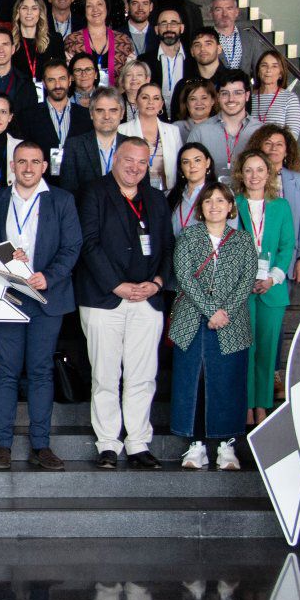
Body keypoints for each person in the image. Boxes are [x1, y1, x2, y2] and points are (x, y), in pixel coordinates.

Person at [75, 136, 173, 470]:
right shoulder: (94, 192)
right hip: (104, 298)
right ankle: (107, 443)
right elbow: (88, 244)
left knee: (142, 376)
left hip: (147, 299)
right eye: (129, 160)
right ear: (116, 158)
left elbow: (168, 247)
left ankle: (138, 443)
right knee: (105, 375)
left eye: (142, 162)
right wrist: (116, 285)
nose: (135, 167)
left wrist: (157, 283)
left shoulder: (156, 199)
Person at [0, 142, 81, 471]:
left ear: (44, 166)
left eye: (35, 162)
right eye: (22, 162)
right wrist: (5, 258)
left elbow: (72, 247)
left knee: (40, 371)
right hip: (8, 297)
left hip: (46, 297)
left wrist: (48, 276)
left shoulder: (61, 200)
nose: (28, 168)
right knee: (6, 370)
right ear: (13, 166)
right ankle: (2, 445)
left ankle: (41, 445)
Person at [168, 181, 256, 471]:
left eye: (220, 200)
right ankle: (196, 444)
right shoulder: (188, 236)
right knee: (192, 381)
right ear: (200, 207)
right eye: (208, 201)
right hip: (192, 319)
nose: (214, 206)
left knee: (228, 381)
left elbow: (247, 280)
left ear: (230, 207)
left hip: (231, 323)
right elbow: (184, 276)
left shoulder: (243, 240)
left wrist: (224, 312)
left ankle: (226, 445)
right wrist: (210, 311)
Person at [234, 152, 296, 429]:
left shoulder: (281, 206)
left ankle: (262, 406)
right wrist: (243, 278)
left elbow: (287, 246)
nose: (254, 176)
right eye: (249, 170)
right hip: (241, 290)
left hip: (272, 289)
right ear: (241, 174)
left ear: (268, 174)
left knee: (268, 351)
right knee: (246, 349)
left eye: (260, 170)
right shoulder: (233, 204)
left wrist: (272, 278)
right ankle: (246, 405)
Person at [247, 125, 300, 282]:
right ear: (259, 147)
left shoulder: (297, 179)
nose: (273, 148)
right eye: (268, 143)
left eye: (279, 144)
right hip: (253, 253)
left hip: (286, 254)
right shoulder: (250, 177)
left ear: (286, 151)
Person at [58, 86, 127, 194]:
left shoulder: (132, 146)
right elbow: (68, 192)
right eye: (100, 111)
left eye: (113, 110)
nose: (106, 116)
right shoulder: (74, 146)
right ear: (91, 114)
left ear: (122, 114)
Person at [192, 71, 259, 180]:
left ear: (247, 96)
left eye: (237, 93)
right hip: (210, 190)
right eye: (225, 93)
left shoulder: (260, 130)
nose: (231, 99)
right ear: (218, 96)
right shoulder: (200, 131)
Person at [118, 80, 180, 191]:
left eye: (156, 98)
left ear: (161, 104)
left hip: (168, 192)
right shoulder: (122, 129)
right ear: (136, 102)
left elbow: (179, 165)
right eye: (145, 97)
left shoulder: (173, 131)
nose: (150, 102)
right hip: (133, 191)